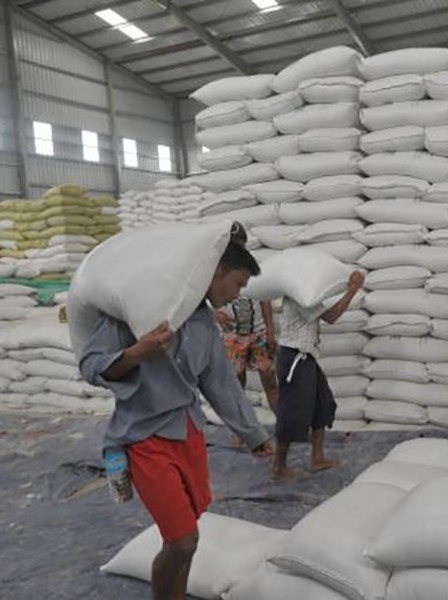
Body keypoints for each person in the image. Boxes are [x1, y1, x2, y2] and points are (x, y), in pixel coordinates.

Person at [79, 239, 273, 600]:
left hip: (188, 434)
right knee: (182, 540)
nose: (237, 295)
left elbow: (220, 382)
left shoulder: (203, 322)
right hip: (144, 438)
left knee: (187, 539)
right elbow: (91, 365)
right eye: (237, 283)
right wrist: (135, 354)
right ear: (217, 270)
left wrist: (254, 434)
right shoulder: (136, 309)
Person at [273, 270, 365, 480]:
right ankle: (279, 466)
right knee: (292, 411)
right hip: (295, 359)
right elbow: (331, 316)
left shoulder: (308, 295)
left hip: (307, 357)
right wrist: (352, 290)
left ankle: (317, 458)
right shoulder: (299, 297)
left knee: (322, 403)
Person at [215, 223, 279, 415]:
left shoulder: (253, 266)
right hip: (232, 335)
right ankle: (240, 427)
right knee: (236, 385)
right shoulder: (215, 266)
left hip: (258, 332)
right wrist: (214, 313)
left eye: (239, 244)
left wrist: (270, 330)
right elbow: (200, 293)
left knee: (269, 380)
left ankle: (284, 425)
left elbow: (264, 298)